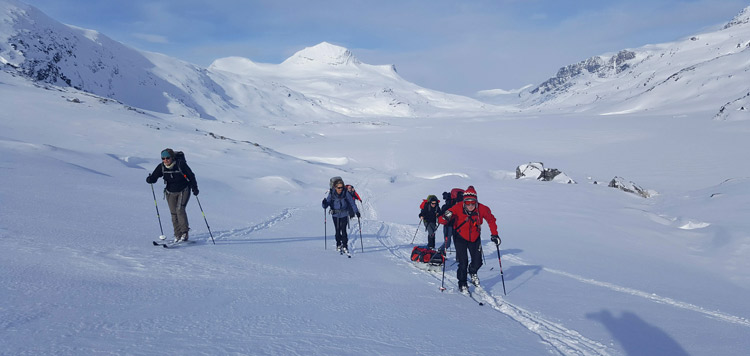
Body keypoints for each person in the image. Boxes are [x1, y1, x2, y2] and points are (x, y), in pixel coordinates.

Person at [438, 186, 500, 293]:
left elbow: (491, 220)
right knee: (463, 262)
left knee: (478, 261)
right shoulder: (457, 207)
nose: (470, 205)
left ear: (476, 201)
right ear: (464, 202)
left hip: (475, 237)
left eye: (473, 203)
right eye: (467, 203)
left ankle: (472, 272)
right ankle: (462, 283)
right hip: (460, 237)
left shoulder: (482, 208)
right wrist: (445, 217)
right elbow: (441, 220)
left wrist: (494, 234)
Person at [146, 148, 199, 242]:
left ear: (172, 157)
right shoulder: (161, 167)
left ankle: (184, 233)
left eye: (167, 158)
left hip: (184, 190)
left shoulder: (180, 164)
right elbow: (154, 177)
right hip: (169, 192)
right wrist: (150, 179)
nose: (165, 160)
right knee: (173, 213)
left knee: (180, 210)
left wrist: (194, 188)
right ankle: (177, 235)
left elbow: (191, 176)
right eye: (163, 158)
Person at [322, 178, 360, 253]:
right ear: (335, 187)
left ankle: (345, 245)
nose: (340, 189)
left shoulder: (346, 193)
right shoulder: (332, 193)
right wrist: (324, 203)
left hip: (344, 214)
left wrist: (357, 212)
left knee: (343, 230)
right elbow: (326, 204)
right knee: (337, 229)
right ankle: (338, 244)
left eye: (342, 187)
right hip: (335, 214)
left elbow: (352, 203)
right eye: (339, 188)